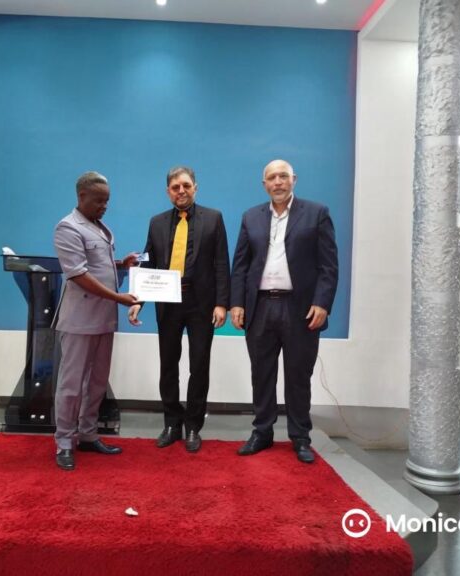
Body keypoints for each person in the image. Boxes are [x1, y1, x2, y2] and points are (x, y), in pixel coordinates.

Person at [230, 159, 338, 463]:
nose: (277, 182)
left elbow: (328, 265)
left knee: (298, 375)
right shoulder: (250, 217)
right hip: (260, 307)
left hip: (300, 309)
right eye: (271, 178)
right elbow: (240, 265)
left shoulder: (317, 213)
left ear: (294, 180)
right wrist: (237, 303)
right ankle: (262, 432)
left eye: (283, 176)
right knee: (261, 373)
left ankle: (300, 436)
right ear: (264, 184)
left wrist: (322, 302)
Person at [128, 166, 230, 453]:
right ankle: (172, 423)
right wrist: (137, 301)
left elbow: (221, 262)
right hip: (168, 302)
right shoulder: (156, 222)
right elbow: (148, 264)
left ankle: (193, 425)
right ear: (168, 192)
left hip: (202, 304)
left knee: (199, 365)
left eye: (186, 185)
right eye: (175, 187)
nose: (181, 191)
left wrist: (222, 303)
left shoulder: (214, 218)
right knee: (168, 364)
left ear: (195, 187)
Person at [52, 171, 139, 471]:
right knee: (72, 385)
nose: (105, 206)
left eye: (107, 201)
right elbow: (78, 274)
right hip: (79, 320)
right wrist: (118, 298)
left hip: (103, 319)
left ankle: (88, 434)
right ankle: (65, 441)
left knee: (98, 382)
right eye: (99, 201)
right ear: (81, 196)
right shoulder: (67, 227)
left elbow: (97, 266)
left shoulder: (99, 227)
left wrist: (121, 264)